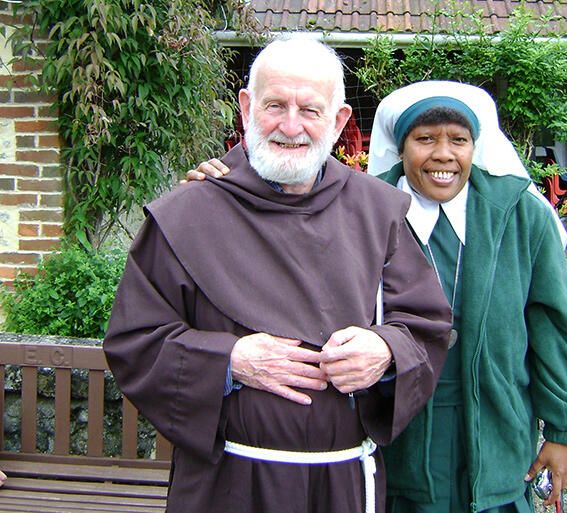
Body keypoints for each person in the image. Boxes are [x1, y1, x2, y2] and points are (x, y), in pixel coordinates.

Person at [187, 81, 567, 512]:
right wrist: (222, 189)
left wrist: (561, 430)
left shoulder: (520, 216)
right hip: (396, 430)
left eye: (458, 140)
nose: (443, 154)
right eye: (425, 139)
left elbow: (552, 326)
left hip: (496, 426)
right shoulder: (357, 207)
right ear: (400, 148)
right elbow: (282, 216)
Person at [103, 39, 453, 513]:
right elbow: (135, 341)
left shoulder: (379, 210)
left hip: (343, 483)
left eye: (310, 109)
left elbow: (425, 325)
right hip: (229, 484)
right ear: (246, 108)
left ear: (339, 121)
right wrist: (229, 360)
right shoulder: (188, 213)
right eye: (275, 105)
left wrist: (386, 350)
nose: (291, 126)